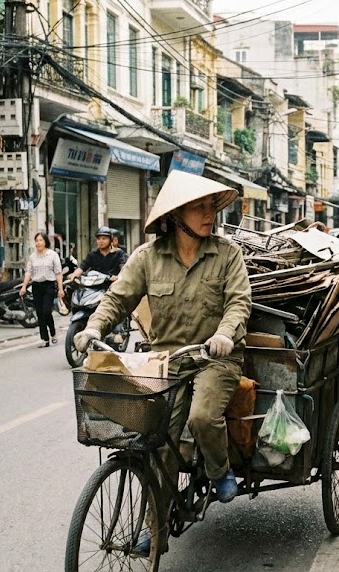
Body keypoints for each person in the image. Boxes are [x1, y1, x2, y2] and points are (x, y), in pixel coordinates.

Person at [73, 171, 250, 556]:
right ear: (176, 216)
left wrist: (224, 334)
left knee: (203, 417)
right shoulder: (147, 258)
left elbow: (239, 302)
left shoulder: (226, 254)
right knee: (158, 445)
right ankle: (156, 531)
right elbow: (117, 299)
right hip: (167, 360)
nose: (209, 214)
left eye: (210, 206)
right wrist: (92, 326)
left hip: (215, 358)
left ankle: (220, 471)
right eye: (200, 207)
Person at [19, 232, 65, 347]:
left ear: (45, 242)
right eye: (36, 240)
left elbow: (58, 273)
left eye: (40, 240)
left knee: (46, 311)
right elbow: (28, 272)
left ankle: (53, 333)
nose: (38, 243)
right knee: (39, 313)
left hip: (49, 286)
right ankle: (44, 338)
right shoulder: (33, 256)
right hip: (36, 286)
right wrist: (24, 286)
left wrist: (60, 289)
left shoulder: (52, 255)